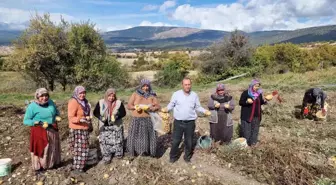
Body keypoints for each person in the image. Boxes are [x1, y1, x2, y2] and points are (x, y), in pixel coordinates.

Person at [162, 77, 211, 163]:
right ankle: (173, 157)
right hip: (178, 122)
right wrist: (166, 108)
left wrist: (205, 111)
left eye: (189, 84)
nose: (187, 86)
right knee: (176, 141)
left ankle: (187, 157)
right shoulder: (176, 94)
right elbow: (171, 104)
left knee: (189, 141)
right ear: (182, 85)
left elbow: (198, 107)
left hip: (190, 123)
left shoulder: (194, 95)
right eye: (186, 85)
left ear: (191, 85)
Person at [23, 88, 61, 174]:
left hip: (52, 130)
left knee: (52, 148)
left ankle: (51, 164)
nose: (44, 98)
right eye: (41, 96)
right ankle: (39, 167)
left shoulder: (51, 103)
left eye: (46, 95)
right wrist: (37, 122)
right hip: (39, 132)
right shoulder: (32, 106)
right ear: (37, 96)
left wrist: (56, 117)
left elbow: (56, 112)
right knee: (42, 148)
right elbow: (26, 120)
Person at [127, 79, 161, 157]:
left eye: (147, 86)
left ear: (149, 86)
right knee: (135, 136)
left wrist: (152, 108)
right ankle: (135, 152)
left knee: (149, 137)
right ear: (141, 86)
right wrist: (135, 107)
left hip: (149, 119)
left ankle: (149, 152)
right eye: (144, 86)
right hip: (137, 119)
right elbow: (129, 106)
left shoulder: (152, 95)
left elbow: (158, 106)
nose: (145, 88)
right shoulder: (135, 94)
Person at [93, 88, 126, 164]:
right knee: (105, 142)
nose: (111, 98)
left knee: (118, 141)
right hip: (104, 126)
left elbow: (123, 113)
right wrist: (101, 117)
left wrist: (117, 116)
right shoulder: (101, 102)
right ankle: (107, 157)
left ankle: (118, 156)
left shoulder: (118, 103)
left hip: (116, 126)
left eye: (113, 96)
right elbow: (95, 112)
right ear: (106, 95)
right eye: (109, 96)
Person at [68, 86, 92, 173]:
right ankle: (78, 168)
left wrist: (88, 120)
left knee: (84, 148)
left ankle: (80, 166)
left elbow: (87, 114)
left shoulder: (85, 102)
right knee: (79, 150)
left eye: (84, 93)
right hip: (77, 129)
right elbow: (71, 117)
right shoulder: (73, 102)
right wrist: (79, 119)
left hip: (84, 128)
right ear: (76, 93)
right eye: (80, 93)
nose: (82, 95)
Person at [239, 79, 268, 147]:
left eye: (258, 86)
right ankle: (245, 145)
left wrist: (265, 101)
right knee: (247, 132)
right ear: (252, 85)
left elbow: (260, 102)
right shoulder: (246, 93)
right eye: (255, 86)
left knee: (255, 130)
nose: (257, 87)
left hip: (256, 116)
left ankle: (253, 144)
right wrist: (246, 102)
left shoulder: (258, 94)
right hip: (247, 116)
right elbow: (240, 102)